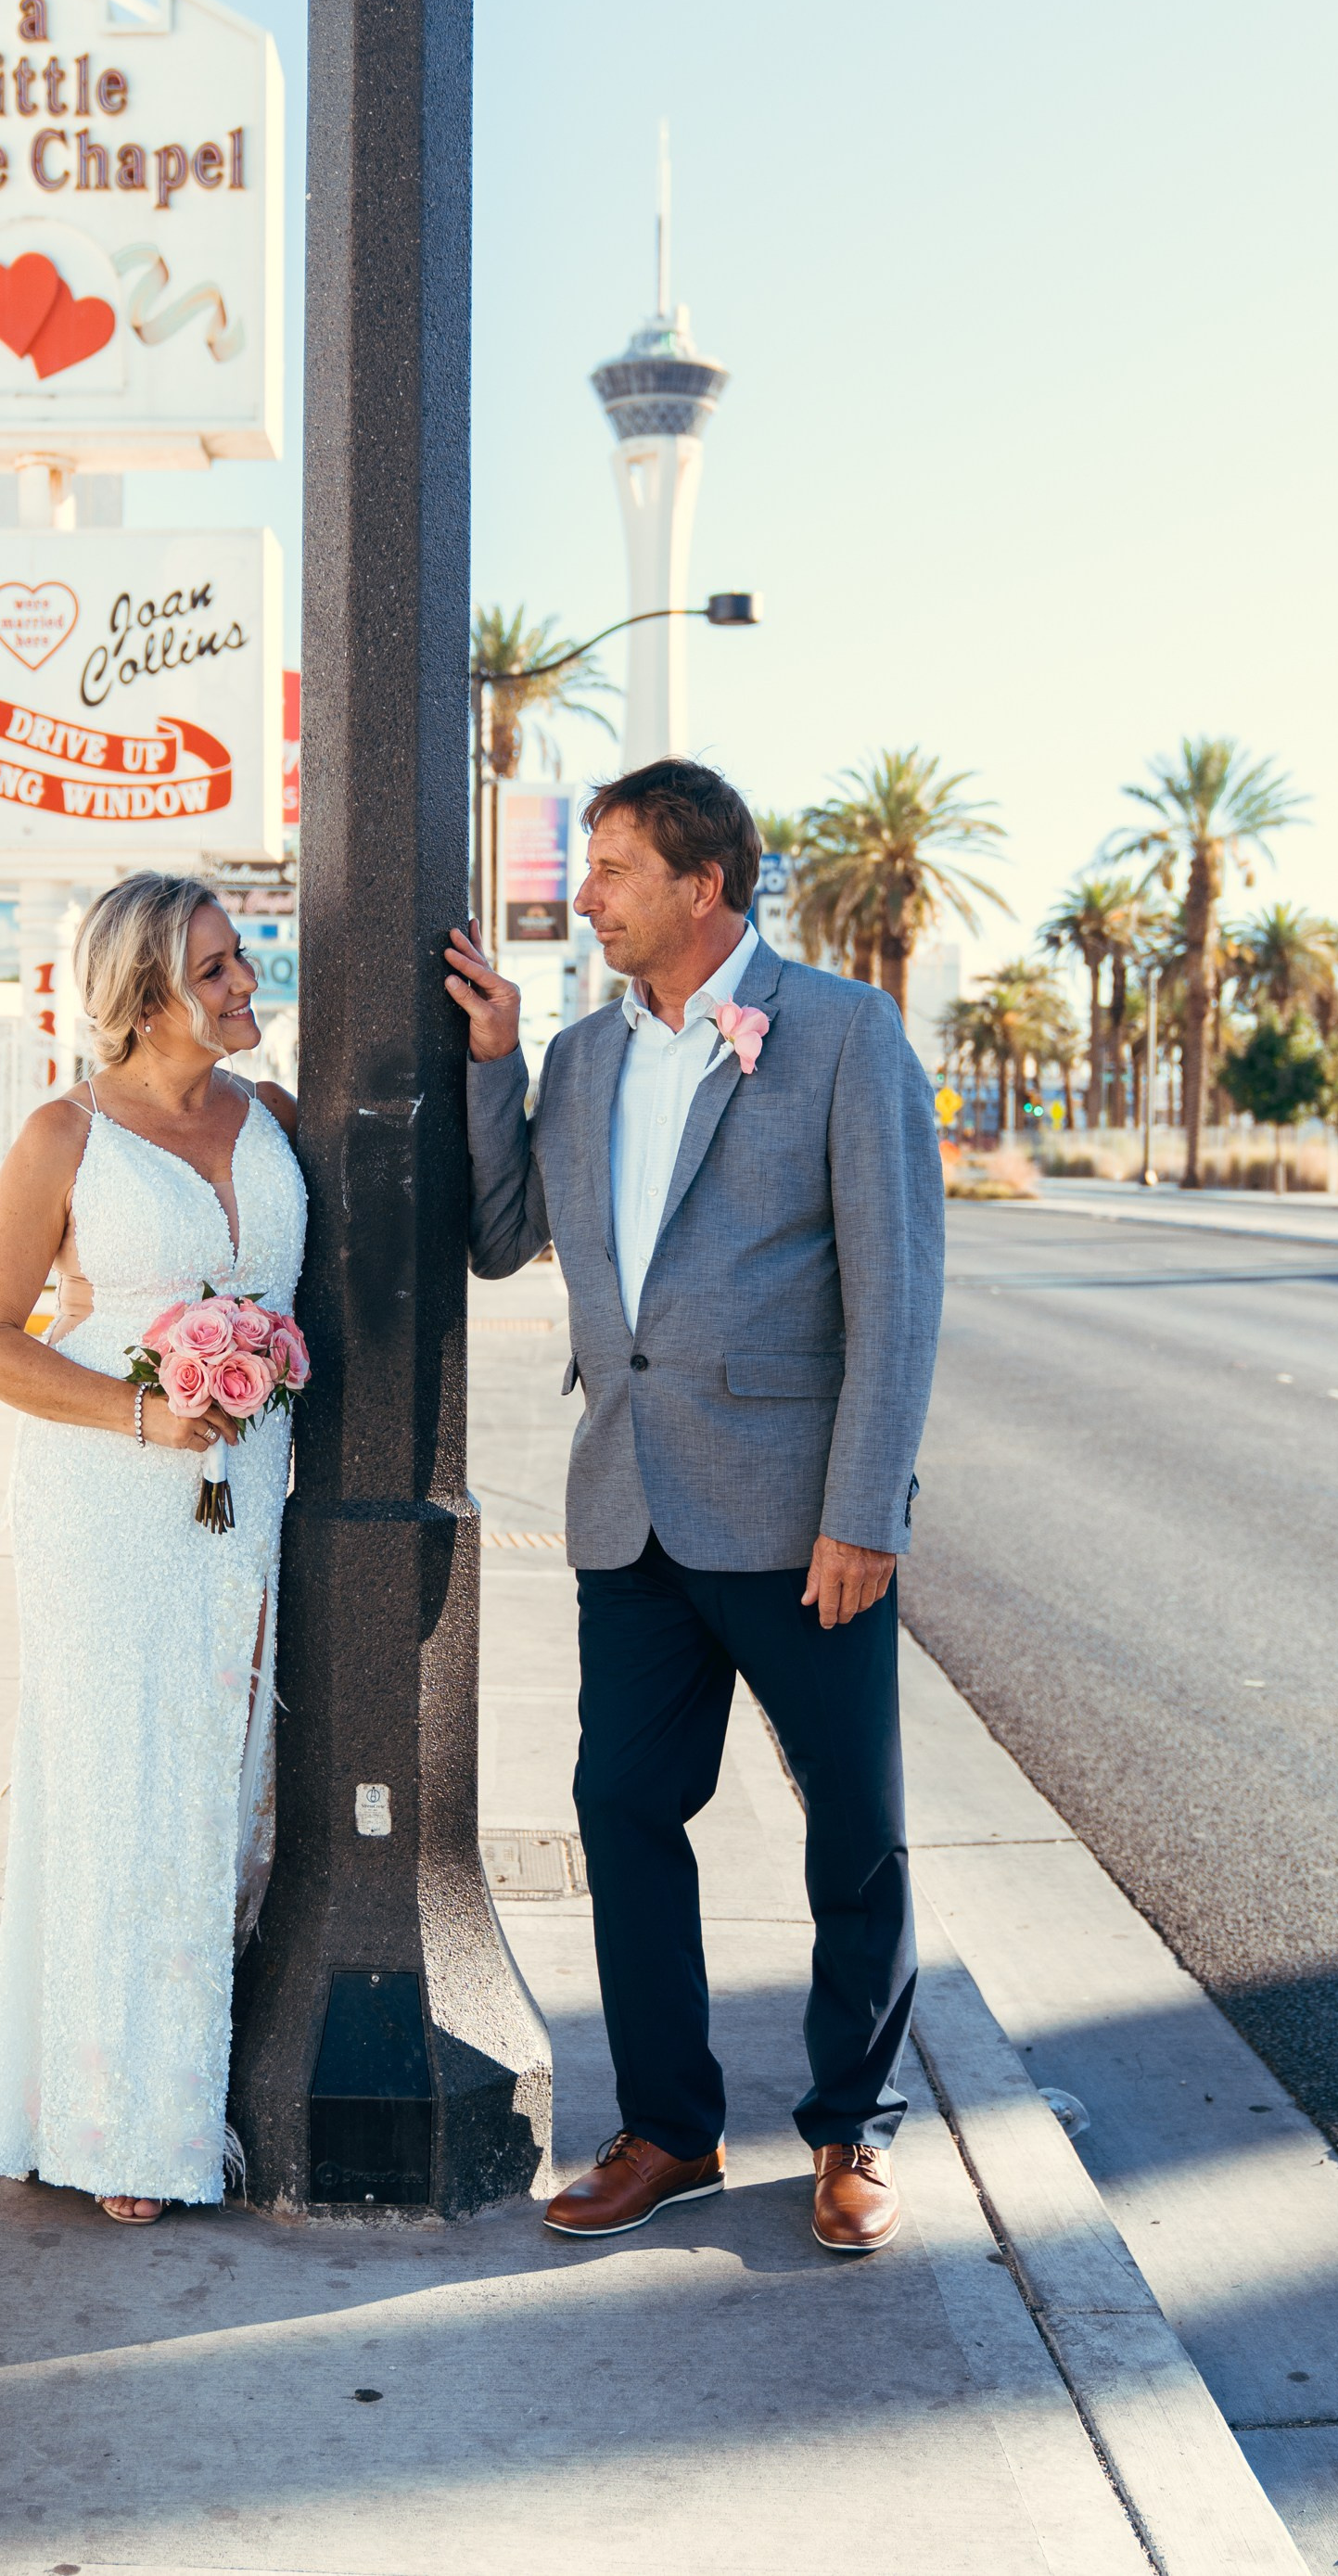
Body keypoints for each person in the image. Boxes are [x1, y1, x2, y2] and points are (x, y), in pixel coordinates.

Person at [446, 759, 942, 2252]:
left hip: (805, 1524)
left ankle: (852, 2127)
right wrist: (493, 1063)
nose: (581, 896)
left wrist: (867, 1507)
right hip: (632, 1513)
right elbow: (496, 1239)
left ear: (701, 885)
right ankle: (672, 2127)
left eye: (610, 870)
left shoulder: (849, 1036)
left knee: (854, 1828)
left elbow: (898, 1295)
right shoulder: (586, 1058)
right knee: (620, 1809)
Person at [0, 873, 305, 2225]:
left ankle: (188, 2090)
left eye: (240, 961)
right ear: (147, 992)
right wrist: (138, 1412)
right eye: (217, 969)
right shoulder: (65, 1135)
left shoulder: (270, 1116)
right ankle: (115, 2129)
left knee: (229, 1798)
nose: (243, 985)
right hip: (108, 1500)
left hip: (248, 1494)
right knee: (119, 1797)